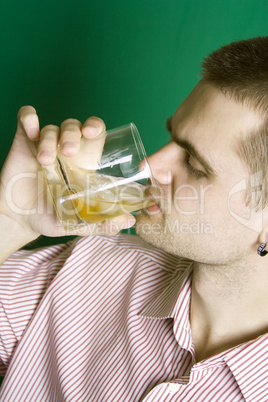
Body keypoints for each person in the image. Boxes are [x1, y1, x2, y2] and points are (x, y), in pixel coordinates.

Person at [0, 36, 267, 401]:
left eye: (194, 164)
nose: (149, 165)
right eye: (171, 137)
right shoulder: (90, 266)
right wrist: (10, 223)